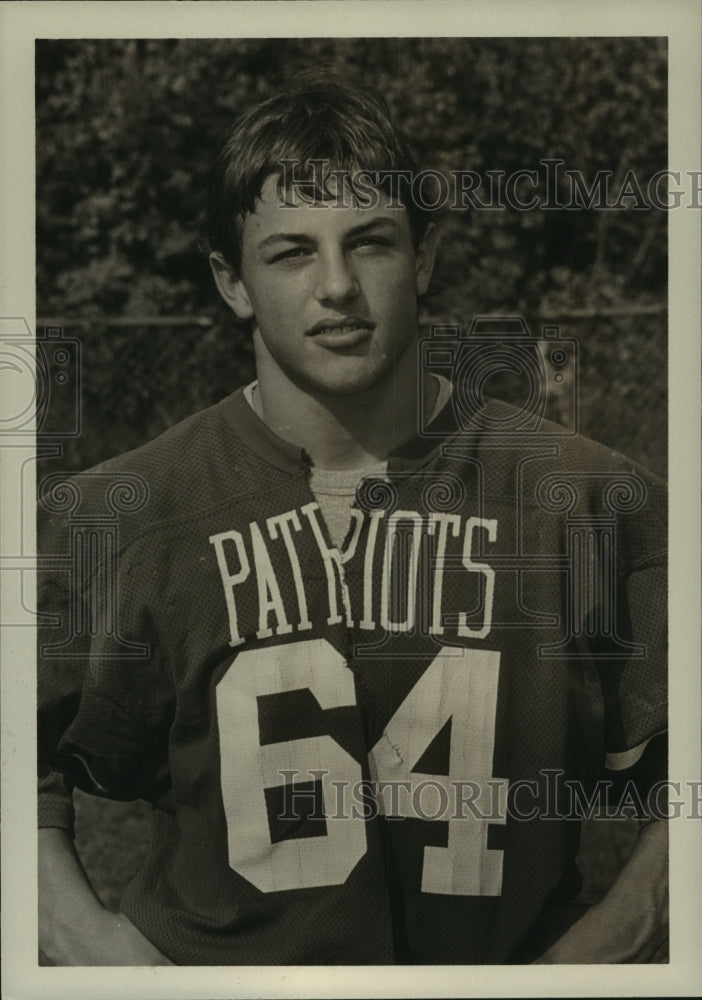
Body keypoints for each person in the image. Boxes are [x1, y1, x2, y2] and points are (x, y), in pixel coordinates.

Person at [37, 75, 668, 966]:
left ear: (426, 257)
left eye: (369, 243)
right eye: (291, 252)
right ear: (232, 281)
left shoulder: (584, 497)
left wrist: (616, 940)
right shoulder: (130, 511)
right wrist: (86, 941)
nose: (337, 286)